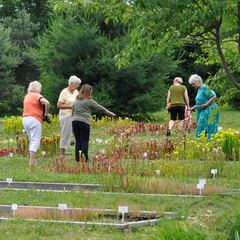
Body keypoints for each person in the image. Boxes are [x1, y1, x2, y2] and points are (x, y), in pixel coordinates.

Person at [72, 84, 116, 162]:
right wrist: (110, 113)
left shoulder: (76, 100)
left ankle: (78, 159)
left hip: (75, 121)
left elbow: (72, 111)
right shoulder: (89, 101)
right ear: (89, 92)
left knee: (78, 141)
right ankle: (85, 159)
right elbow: (100, 108)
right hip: (84, 122)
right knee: (84, 141)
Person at [22, 81, 51, 165]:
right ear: (37, 88)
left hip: (25, 119)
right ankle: (31, 162)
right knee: (35, 141)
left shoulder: (27, 96)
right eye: (40, 88)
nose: (40, 90)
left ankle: (32, 160)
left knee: (31, 140)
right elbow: (47, 102)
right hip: (34, 119)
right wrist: (46, 114)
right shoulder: (37, 95)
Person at [57, 75, 81, 159]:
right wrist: (71, 107)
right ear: (71, 83)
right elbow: (59, 105)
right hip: (65, 115)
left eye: (78, 84)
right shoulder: (64, 92)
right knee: (65, 134)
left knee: (77, 134)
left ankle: (78, 153)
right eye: (76, 84)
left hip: (74, 115)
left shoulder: (75, 91)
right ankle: (62, 154)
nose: (78, 86)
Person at [189, 74, 219, 139]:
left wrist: (206, 105)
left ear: (198, 81)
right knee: (202, 126)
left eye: (193, 84)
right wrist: (193, 108)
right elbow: (200, 102)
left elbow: (213, 96)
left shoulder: (205, 87)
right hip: (204, 110)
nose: (193, 85)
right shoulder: (199, 89)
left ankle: (209, 142)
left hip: (210, 110)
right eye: (192, 84)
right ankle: (204, 142)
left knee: (204, 126)